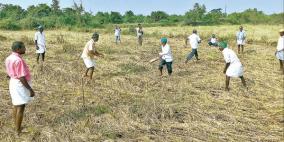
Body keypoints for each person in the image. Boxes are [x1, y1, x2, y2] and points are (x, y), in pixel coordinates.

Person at [5, 41, 35, 135]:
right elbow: (21, 77)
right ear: (18, 49)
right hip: (19, 84)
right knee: (21, 107)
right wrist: (30, 89)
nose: (25, 49)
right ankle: (18, 130)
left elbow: (9, 73)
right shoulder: (19, 60)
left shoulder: (9, 58)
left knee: (16, 105)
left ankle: (16, 125)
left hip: (13, 82)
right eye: (23, 47)